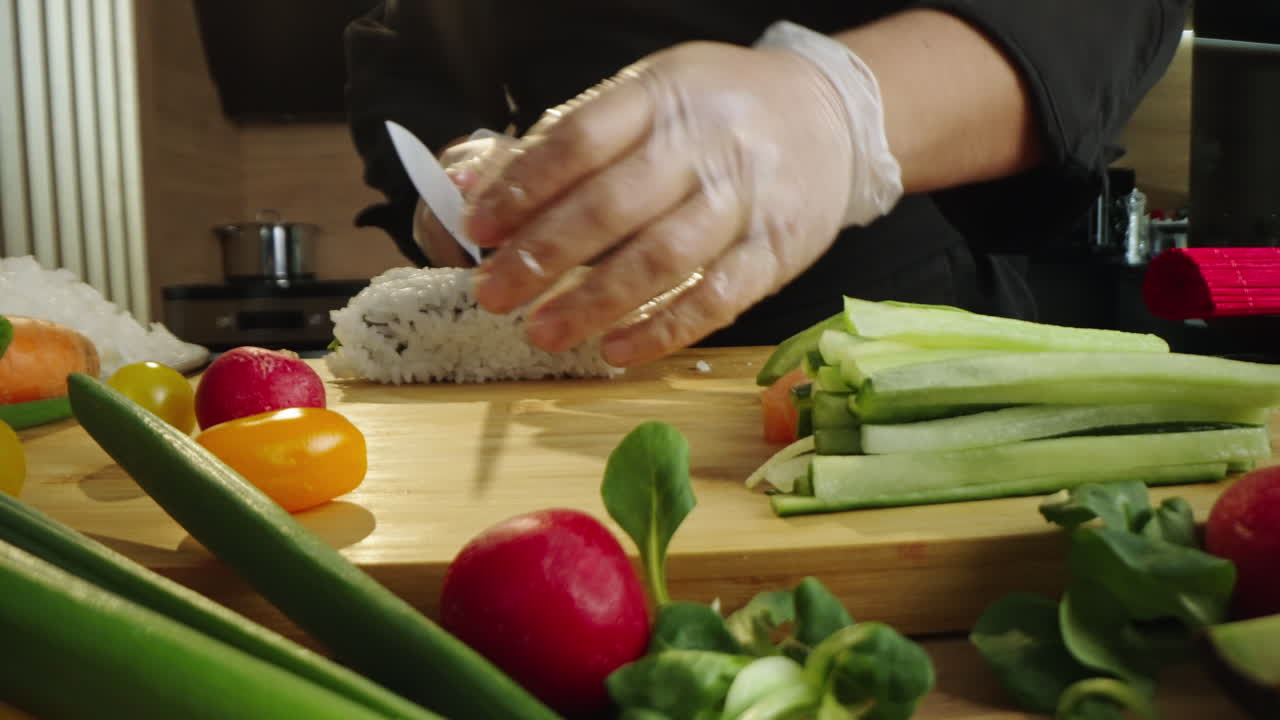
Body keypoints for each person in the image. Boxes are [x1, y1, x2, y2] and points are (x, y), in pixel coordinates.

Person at [344, 1, 1188, 368]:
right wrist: (462, 160)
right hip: (563, 353)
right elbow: (406, 48)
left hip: (885, 332)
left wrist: (837, 109)